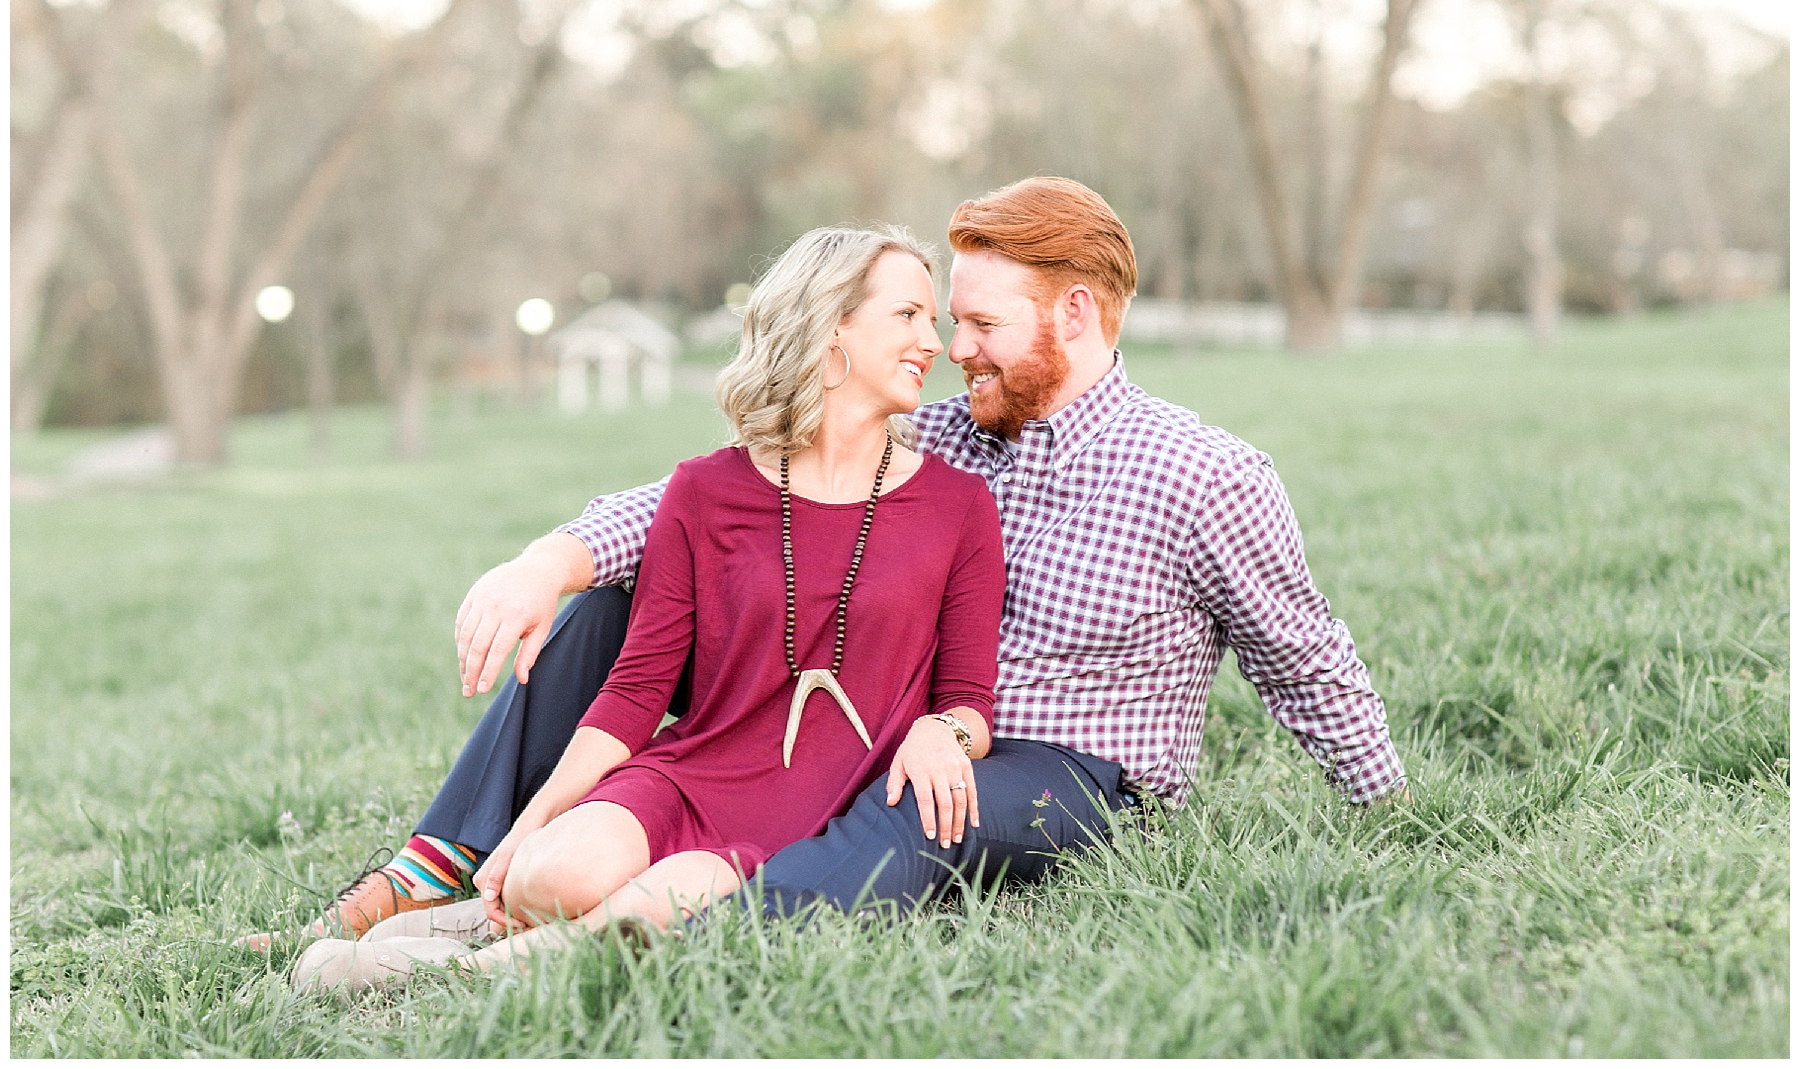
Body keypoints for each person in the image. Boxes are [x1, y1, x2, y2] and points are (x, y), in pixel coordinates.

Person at [264, 175, 1407, 959]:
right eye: (943, 320)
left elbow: (1304, 662)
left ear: (1076, 310)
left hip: (1075, 773)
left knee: (913, 799)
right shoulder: (948, 435)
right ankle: (438, 870)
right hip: (879, 719)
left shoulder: (1205, 474)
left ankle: (617, 945)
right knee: (612, 610)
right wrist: (548, 558)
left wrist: (1392, 813)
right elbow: (707, 505)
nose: (956, 350)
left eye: (982, 325)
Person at [286, 226, 1004, 990]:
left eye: (934, 320)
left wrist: (944, 729)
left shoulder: (959, 506)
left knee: (647, 911)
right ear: (832, 328)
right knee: (549, 877)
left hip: (812, 816)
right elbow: (635, 692)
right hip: (691, 774)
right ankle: (485, 911)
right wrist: (523, 833)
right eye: (908, 316)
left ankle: (448, 971)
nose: (936, 342)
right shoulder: (705, 489)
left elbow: (970, 700)